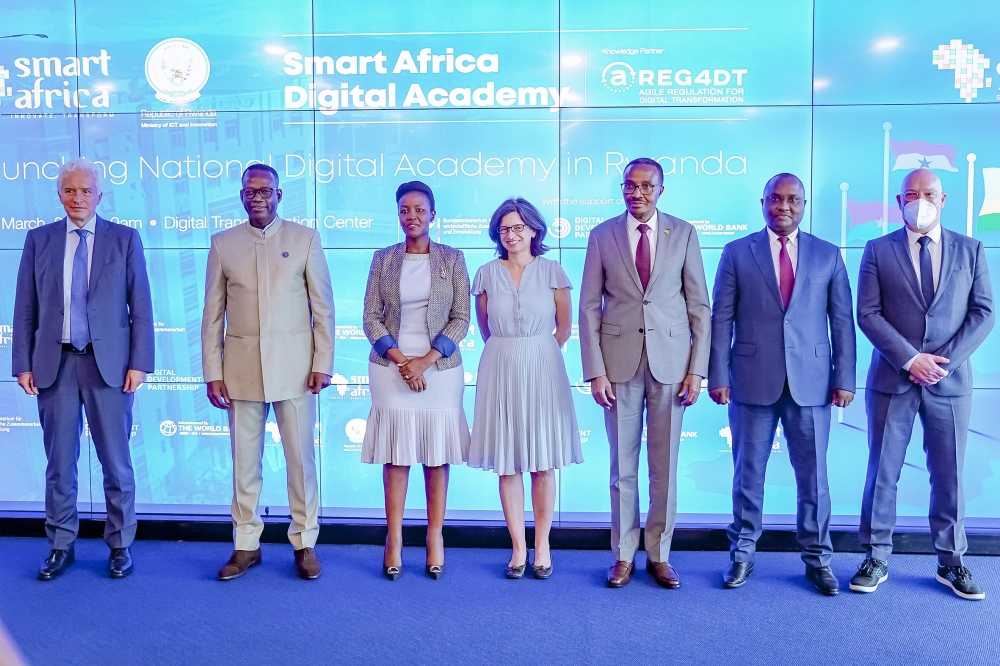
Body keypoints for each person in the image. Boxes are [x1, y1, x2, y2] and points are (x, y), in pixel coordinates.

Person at [708, 173, 857, 595]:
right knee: (747, 475)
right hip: (751, 382)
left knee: (813, 478)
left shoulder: (827, 255)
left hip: (812, 385)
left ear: (804, 205)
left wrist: (845, 378)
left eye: (792, 199)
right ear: (763, 203)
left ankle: (818, 560)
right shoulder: (737, 252)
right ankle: (742, 554)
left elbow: (842, 322)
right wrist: (718, 375)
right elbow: (722, 318)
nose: (783, 206)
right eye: (775, 198)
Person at [852, 168, 994, 600]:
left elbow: (984, 312)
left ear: (944, 198)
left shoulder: (971, 250)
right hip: (892, 380)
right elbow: (868, 313)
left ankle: (952, 562)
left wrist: (941, 364)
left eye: (928, 193)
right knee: (883, 473)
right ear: (898, 202)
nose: (920, 200)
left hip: (949, 383)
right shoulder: (877, 250)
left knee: (948, 475)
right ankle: (876, 556)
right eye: (911, 194)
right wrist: (911, 359)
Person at [13, 157, 154, 580]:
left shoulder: (125, 239)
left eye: (86, 191)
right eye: (70, 190)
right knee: (59, 464)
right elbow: (24, 309)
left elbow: (141, 307)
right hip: (54, 367)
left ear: (99, 195)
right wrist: (22, 362)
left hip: (109, 367)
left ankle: (120, 545)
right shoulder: (39, 240)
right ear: (60, 195)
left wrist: (140, 363)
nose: (78, 198)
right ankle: (60, 545)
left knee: (117, 463)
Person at [579, 157, 711, 589]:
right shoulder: (602, 235)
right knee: (622, 467)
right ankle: (622, 555)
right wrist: (595, 371)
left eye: (646, 186)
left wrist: (698, 371)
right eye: (630, 186)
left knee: (665, 467)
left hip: (672, 364)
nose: (637, 193)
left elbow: (699, 307)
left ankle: (659, 554)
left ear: (660, 189)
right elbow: (588, 308)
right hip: (618, 365)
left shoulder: (684, 233)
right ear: (622, 189)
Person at [201, 164, 335, 581]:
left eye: (265, 191)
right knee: (244, 464)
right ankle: (246, 545)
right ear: (241, 196)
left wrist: (322, 363)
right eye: (250, 191)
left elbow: (323, 309)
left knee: (300, 462)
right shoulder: (223, 243)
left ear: (280, 194)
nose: (257, 197)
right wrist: (212, 371)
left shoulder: (304, 239)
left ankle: (305, 542)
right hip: (239, 370)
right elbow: (212, 315)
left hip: (296, 370)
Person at [468, 198, 583, 580]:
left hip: (543, 364)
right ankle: (518, 547)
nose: (511, 234)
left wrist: (535, 351)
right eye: (504, 228)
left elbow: (564, 328)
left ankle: (543, 544)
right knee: (508, 460)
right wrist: (509, 349)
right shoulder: (485, 272)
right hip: (499, 363)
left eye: (518, 227)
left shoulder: (552, 270)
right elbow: (484, 328)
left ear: (534, 229)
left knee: (542, 460)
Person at [362, 180, 471, 581]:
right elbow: (370, 317)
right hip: (390, 367)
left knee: (436, 454)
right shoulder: (383, 259)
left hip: (439, 368)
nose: (412, 216)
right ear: (398, 215)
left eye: (420, 210)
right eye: (405, 210)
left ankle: (435, 537)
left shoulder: (453, 259)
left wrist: (424, 361)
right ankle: (393, 539)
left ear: (433, 215)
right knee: (396, 453)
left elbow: (462, 318)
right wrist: (400, 359)